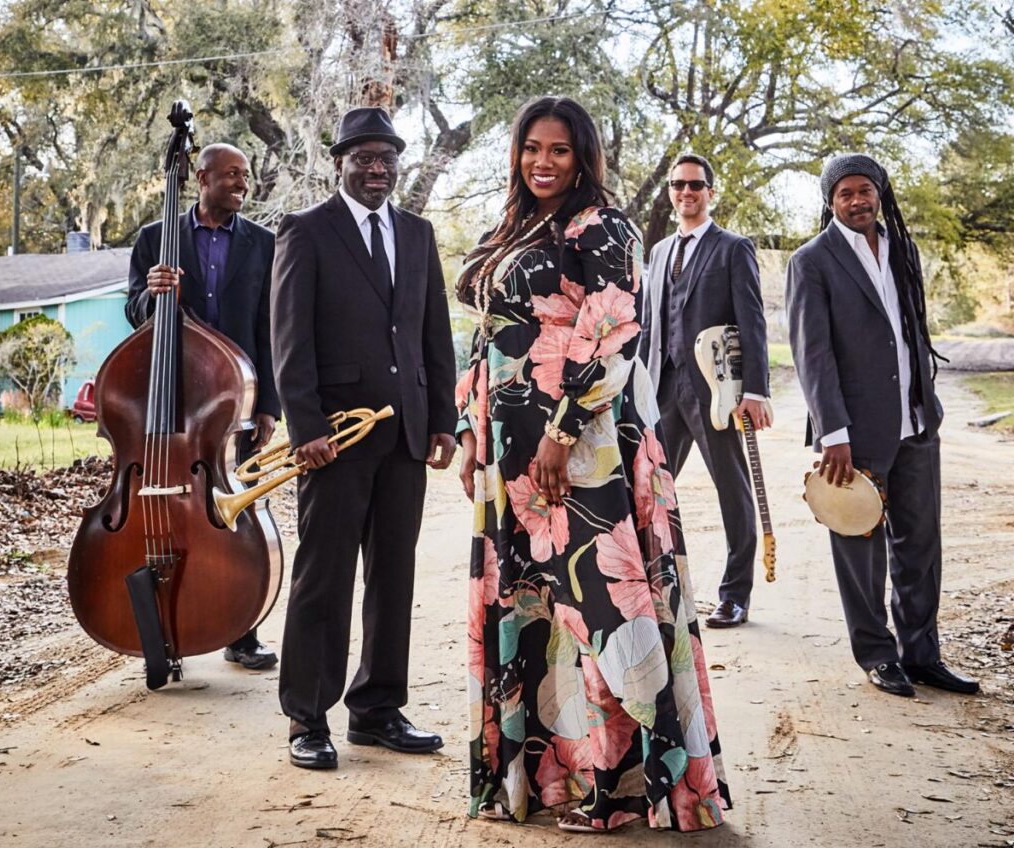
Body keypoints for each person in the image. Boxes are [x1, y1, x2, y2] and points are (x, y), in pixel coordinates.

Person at [455, 96, 730, 833]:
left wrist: (560, 433)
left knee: (604, 612)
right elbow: (487, 338)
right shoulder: (510, 227)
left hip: (582, 452)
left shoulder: (599, 225)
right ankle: (547, 780)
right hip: (506, 451)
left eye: (560, 151)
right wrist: (469, 432)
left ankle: (629, 786)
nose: (543, 162)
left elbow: (610, 333)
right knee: (529, 610)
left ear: (584, 159)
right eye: (532, 148)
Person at [271, 107, 457, 770]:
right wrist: (307, 428)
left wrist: (444, 419)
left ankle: (376, 708)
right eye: (364, 158)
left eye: (387, 158)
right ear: (340, 162)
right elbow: (288, 341)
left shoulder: (417, 233)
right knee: (323, 577)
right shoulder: (305, 231)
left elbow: (433, 332)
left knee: (393, 576)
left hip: (406, 432)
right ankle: (307, 715)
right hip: (335, 440)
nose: (377, 169)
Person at [785, 153, 979, 698]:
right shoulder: (812, 261)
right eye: (844, 193)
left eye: (864, 190)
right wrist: (834, 433)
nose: (856, 201)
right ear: (831, 201)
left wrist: (928, 403)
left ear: (880, 193)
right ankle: (876, 654)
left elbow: (911, 330)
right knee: (859, 544)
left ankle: (923, 655)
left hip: (915, 423)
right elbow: (812, 353)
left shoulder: (903, 250)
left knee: (920, 546)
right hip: (855, 433)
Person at [127, 142, 280, 672]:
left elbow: (270, 327)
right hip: (169, 400)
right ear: (201, 177)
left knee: (234, 512)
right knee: (162, 515)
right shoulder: (154, 239)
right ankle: (160, 628)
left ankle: (241, 629)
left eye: (246, 174)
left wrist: (268, 405)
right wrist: (151, 295)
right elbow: (133, 314)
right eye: (232, 175)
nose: (242, 183)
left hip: (233, 400)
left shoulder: (264, 242)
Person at [640, 153, 771, 629]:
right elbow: (651, 325)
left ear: (710, 192)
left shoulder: (733, 248)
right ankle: (652, 589)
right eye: (678, 185)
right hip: (663, 389)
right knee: (650, 489)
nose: (686, 193)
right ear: (671, 191)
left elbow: (752, 322)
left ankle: (735, 595)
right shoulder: (657, 252)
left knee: (733, 490)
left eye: (695, 185)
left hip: (716, 391)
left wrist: (755, 391)